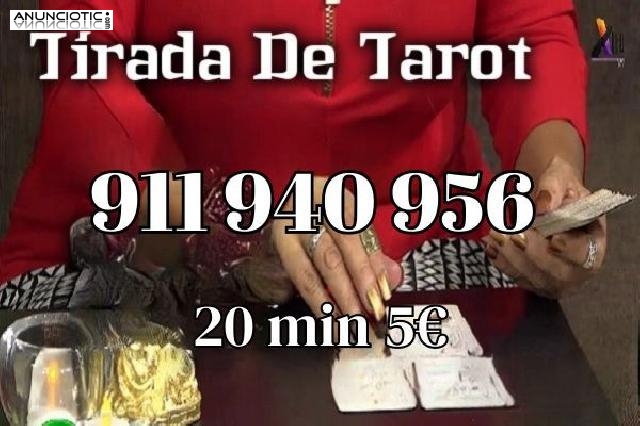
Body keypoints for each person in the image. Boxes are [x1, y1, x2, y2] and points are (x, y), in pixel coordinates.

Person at [0, 0, 606, 317]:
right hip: (157, 232)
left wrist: (554, 179)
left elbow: (532, 33)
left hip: (418, 235)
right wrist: (233, 217)